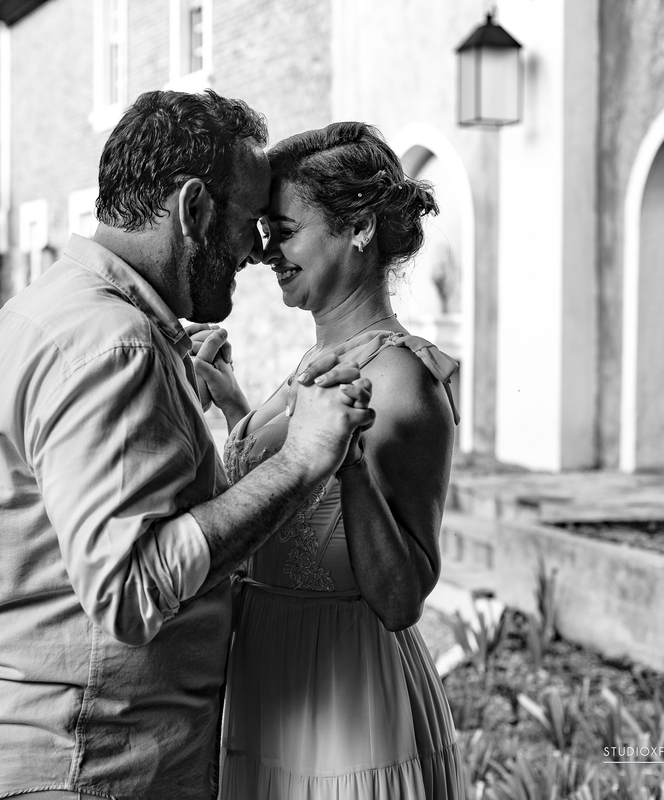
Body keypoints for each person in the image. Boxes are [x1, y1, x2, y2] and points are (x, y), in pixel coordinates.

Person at [0, 91, 376, 800]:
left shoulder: (48, 311)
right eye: (247, 220)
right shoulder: (114, 347)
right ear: (193, 210)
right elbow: (129, 590)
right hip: (77, 763)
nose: (258, 250)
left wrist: (176, 399)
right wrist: (300, 461)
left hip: (17, 746)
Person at [192, 121, 464, 799]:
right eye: (263, 233)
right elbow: (298, 504)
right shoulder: (321, 359)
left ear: (360, 228)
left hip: (346, 703)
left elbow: (401, 598)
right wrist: (236, 408)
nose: (265, 253)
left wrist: (346, 462)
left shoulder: (403, 381)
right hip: (271, 681)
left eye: (283, 231)